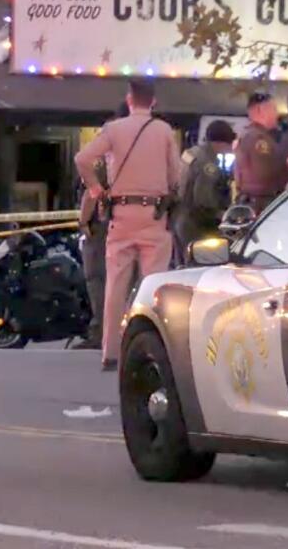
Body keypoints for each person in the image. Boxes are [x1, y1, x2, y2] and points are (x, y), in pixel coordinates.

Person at [74, 80, 181, 372]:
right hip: (154, 215)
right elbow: (176, 175)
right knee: (153, 286)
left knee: (115, 284)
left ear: (129, 99)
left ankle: (110, 353)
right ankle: (154, 349)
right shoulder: (163, 131)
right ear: (154, 102)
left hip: (120, 214)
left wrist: (96, 190)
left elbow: (82, 159)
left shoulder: (113, 130)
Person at [74, 102, 128, 351]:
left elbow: (93, 189)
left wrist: (84, 220)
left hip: (105, 223)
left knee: (97, 276)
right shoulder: (148, 143)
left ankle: (101, 332)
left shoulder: (110, 147)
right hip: (141, 220)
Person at [176, 120, 236, 252]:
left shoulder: (192, 152)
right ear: (222, 142)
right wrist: (222, 215)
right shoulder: (209, 164)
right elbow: (204, 200)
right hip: (196, 224)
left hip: (180, 217)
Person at [233, 92, 285, 214]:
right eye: (273, 109)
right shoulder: (259, 139)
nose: (276, 114)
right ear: (260, 110)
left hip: (252, 203)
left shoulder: (247, 135)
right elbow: (264, 173)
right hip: (262, 206)